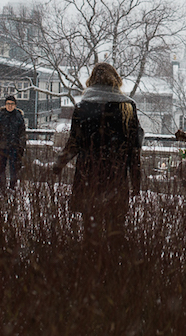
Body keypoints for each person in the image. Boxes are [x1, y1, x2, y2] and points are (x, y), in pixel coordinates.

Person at [53, 63, 143, 256]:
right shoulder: (127, 106)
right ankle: (115, 273)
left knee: (90, 231)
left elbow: (74, 142)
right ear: (115, 80)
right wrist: (136, 180)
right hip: (116, 177)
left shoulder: (83, 106)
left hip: (89, 176)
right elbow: (134, 148)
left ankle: (91, 271)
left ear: (91, 81)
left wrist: (58, 165)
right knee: (116, 231)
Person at [0, 95, 27, 190]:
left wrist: (21, 146)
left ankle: (12, 187)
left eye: (12, 104)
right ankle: (2, 186)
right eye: (8, 104)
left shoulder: (18, 117)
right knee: (1, 168)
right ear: (5, 105)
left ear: (15, 105)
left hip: (14, 147)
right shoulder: (0, 116)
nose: (10, 106)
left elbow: (22, 132)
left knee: (14, 169)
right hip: (2, 146)